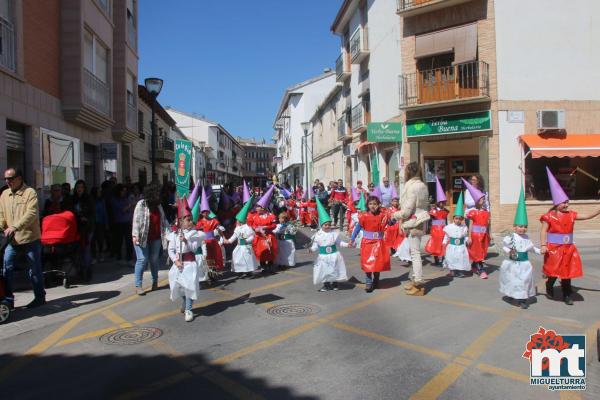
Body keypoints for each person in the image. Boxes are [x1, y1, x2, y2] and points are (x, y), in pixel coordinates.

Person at [540, 167, 600, 305]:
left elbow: (587, 216)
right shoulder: (548, 217)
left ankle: (567, 293)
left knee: (567, 271)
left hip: (568, 248)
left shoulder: (572, 215)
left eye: (567, 202)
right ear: (556, 203)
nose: (566, 204)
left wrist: (598, 209)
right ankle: (549, 285)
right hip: (554, 248)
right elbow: (543, 231)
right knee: (554, 271)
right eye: (563, 202)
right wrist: (543, 245)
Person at [0, 168, 45, 309]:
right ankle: (8, 300)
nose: (8, 181)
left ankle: (39, 297)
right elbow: (1, 214)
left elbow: (31, 214)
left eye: (11, 178)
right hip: (12, 242)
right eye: (6, 179)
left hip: (30, 239)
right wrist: (1, 226)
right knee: (7, 268)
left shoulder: (30, 192)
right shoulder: (4, 194)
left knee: (34, 270)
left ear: (19, 178)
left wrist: (15, 227)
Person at [393, 162, 430, 296]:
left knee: (415, 253)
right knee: (414, 252)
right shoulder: (423, 185)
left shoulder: (412, 187)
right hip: (419, 220)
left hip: (414, 222)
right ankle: (415, 280)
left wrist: (394, 215)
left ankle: (419, 283)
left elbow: (407, 210)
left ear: (409, 171)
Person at [499, 189, 540, 309]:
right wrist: (509, 251)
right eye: (520, 226)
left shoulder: (526, 237)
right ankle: (513, 295)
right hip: (513, 263)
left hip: (525, 264)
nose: (522, 229)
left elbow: (531, 248)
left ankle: (522, 299)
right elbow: (504, 247)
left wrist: (540, 251)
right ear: (515, 227)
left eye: (525, 227)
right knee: (513, 281)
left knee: (524, 281)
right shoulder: (510, 237)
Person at [132, 183, 171, 295]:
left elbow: (164, 221)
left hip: (156, 237)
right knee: (142, 259)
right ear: (152, 194)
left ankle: (155, 282)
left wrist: (171, 231)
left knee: (154, 259)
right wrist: (135, 235)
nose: (160, 196)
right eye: (158, 194)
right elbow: (136, 221)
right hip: (141, 237)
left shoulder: (158, 206)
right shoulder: (141, 204)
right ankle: (138, 285)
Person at [168, 200, 202, 322]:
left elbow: (194, 249)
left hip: (190, 264)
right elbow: (171, 250)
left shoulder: (195, 234)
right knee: (178, 286)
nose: (190, 222)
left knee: (190, 286)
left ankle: (188, 309)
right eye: (187, 220)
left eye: (191, 219)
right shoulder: (174, 234)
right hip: (179, 264)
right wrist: (175, 261)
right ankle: (184, 301)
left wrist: (186, 241)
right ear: (181, 221)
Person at [351, 196, 392, 293]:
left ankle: (376, 280)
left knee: (377, 263)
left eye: (374, 204)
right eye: (370, 204)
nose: (372, 206)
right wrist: (352, 239)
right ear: (367, 205)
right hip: (367, 242)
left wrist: (395, 218)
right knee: (368, 263)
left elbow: (390, 223)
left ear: (378, 205)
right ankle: (368, 282)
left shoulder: (382, 215)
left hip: (378, 242)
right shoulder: (363, 216)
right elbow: (357, 228)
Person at [310, 197, 350, 292]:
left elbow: (339, 243)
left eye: (329, 224)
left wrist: (347, 244)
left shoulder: (333, 234)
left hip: (334, 255)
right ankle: (326, 285)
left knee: (335, 269)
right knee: (324, 271)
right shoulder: (317, 235)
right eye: (325, 225)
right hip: (323, 256)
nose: (327, 226)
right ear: (321, 225)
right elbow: (316, 246)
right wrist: (311, 249)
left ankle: (335, 284)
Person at [224, 196, 258, 278]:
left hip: (246, 247)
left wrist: (247, 240)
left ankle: (248, 271)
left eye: (238, 220)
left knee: (247, 258)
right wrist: (226, 240)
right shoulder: (237, 229)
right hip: (239, 246)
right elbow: (233, 237)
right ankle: (241, 270)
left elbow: (252, 236)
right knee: (238, 257)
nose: (237, 221)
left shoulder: (248, 228)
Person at [463, 178, 491, 279]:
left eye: (483, 199)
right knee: (477, 252)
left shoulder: (485, 213)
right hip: (475, 235)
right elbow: (470, 225)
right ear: (477, 201)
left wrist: (488, 234)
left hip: (483, 235)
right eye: (481, 199)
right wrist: (469, 236)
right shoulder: (473, 212)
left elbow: (486, 224)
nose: (483, 200)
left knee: (482, 252)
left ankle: (474, 266)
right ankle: (481, 269)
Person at [249, 185, 279, 273]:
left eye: (259, 207)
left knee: (270, 251)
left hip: (269, 236)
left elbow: (274, 225)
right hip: (259, 237)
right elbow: (251, 225)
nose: (257, 208)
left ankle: (270, 264)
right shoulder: (254, 216)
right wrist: (255, 229)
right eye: (257, 206)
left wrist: (267, 227)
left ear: (263, 207)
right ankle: (263, 265)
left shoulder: (270, 216)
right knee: (260, 251)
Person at [442, 192, 471, 277]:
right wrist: (444, 242)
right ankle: (452, 271)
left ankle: (460, 271)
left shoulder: (464, 227)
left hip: (461, 246)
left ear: (462, 219)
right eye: (456, 218)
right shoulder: (449, 227)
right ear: (453, 219)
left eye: (459, 219)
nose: (458, 220)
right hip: (452, 245)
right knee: (452, 258)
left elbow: (465, 235)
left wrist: (466, 240)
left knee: (461, 258)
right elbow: (446, 236)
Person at [72, 180, 95, 281]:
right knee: (78, 250)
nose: (79, 189)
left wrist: (86, 218)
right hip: (76, 228)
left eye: (81, 187)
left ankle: (87, 270)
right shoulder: (73, 199)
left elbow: (92, 213)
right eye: (77, 187)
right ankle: (79, 270)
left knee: (86, 249)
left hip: (87, 227)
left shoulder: (88, 199)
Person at [425, 177, 449, 266]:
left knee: (443, 244)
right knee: (435, 245)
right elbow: (430, 219)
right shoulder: (434, 211)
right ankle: (436, 260)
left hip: (443, 230)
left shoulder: (445, 211)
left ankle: (443, 258)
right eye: (442, 202)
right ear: (438, 202)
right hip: (435, 230)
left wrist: (446, 228)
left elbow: (445, 220)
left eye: (444, 202)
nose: (443, 204)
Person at [111, 184, 134, 264]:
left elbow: (128, 209)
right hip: (119, 222)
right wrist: (130, 205)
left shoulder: (125, 199)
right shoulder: (114, 199)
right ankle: (118, 256)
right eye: (122, 191)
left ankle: (129, 257)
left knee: (129, 241)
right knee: (119, 240)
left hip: (127, 222)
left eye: (125, 191)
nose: (124, 192)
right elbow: (123, 209)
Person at [91, 187, 108, 263]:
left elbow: (104, 212)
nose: (99, 193)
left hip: (100, 222)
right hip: (92, 222)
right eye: (98, 192)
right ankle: (94, 256)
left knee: (100, 239)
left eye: (100, 192)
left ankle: (101, 254)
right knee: (92, 240)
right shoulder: (91, 201)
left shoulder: (102, 200)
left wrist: (106, 223)